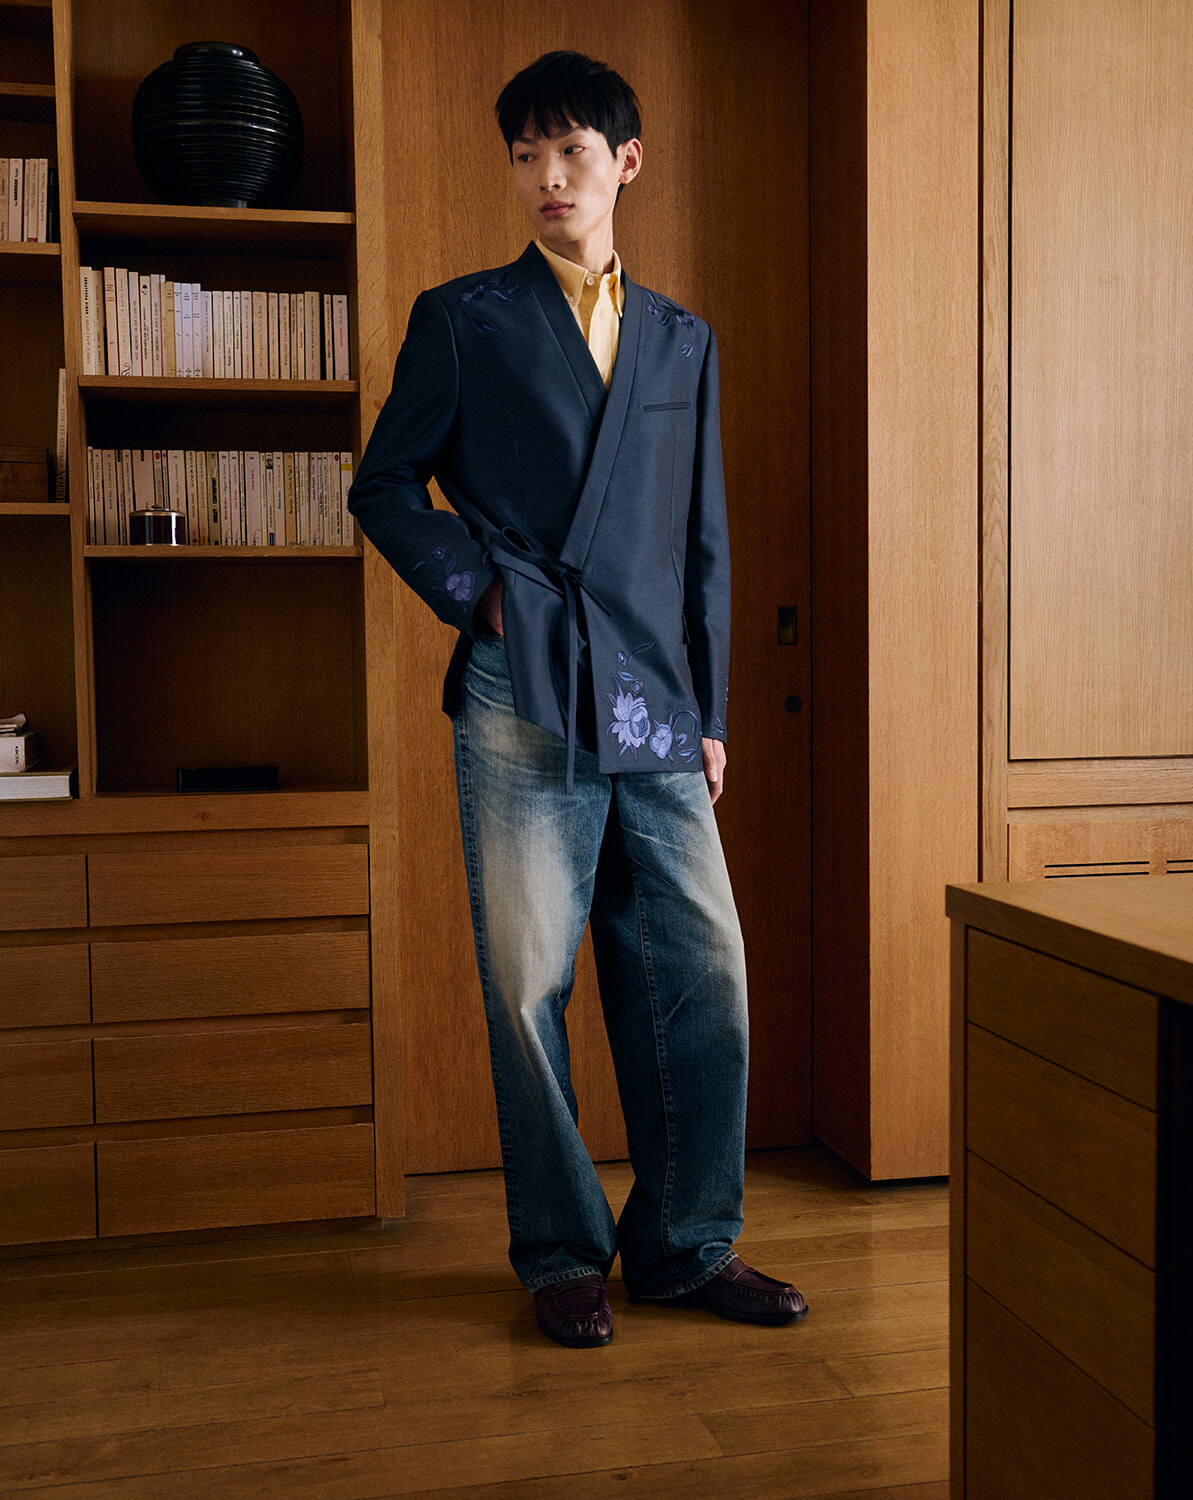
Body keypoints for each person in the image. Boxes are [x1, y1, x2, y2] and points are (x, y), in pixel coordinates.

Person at [348, 49, 806, 1349]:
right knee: (527, 971)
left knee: (700, 971)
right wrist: (478, 591)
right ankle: (559, 1250)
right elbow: (385, 486)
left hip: (659, 696)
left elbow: (699, 539)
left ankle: (684, 1248)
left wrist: (711, 711)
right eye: (525, 154)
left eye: (572, 151)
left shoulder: (681, 341)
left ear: (625, 162)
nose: (548, 177)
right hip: (522, 679)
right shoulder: (464, 318)